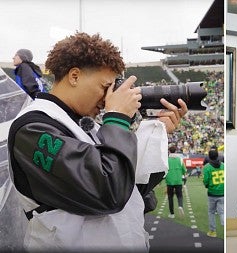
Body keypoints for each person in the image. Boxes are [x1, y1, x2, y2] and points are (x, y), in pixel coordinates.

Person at [7, 32, 187, 251]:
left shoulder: (89, 127)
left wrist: (157, 132)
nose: (107, 98)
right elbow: (108, 192)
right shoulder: (32, 128)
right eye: (105, 87)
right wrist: (118, 118)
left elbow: (131, 189)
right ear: (74, 76)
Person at [203, 149, 224, 237]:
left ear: (209, 156)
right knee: (222, 212)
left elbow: (206, 181)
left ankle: (213, 231)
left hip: (212, 193)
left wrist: (207, 186)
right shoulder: (223, 165)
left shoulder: (207, 167)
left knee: (211, 212)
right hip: (222, 193)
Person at [165, 145, 187, 218]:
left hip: (169, 181)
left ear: (169, 151)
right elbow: (184, 170)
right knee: (180, 196)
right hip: (178, 181)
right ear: (176, 151)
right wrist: (184, 175)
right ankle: (180, 206)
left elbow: (164, 171)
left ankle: (172, 214)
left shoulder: (166, 160)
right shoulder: (180, 159)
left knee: (170, 197)